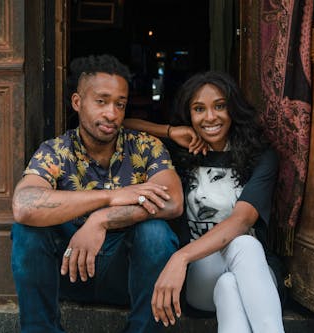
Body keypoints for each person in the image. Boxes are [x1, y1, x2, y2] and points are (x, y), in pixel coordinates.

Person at [10, 54, 184, 333]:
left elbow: (173, 201)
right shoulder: (56, 151)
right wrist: (109, 197)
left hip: (124, 274)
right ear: (78, 103)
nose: (111, 114)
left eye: (120, 104)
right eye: (101, 102)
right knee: (27, 230)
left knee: (156, 233)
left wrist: (101, 220)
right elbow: (24, 205)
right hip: (69, 271)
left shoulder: (145, 147)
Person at [124, 71, 285, 333]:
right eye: (199, 109)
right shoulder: (180, 154)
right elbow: (120, 125)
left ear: (233, 109)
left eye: (220, 106)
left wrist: (179, 257)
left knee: (231, 281)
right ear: (189, 115)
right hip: (201, 274)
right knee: (239, 253)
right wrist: (169, 131)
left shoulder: (260, 156)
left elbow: (242, 220)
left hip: (253, 273)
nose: (210, 117)